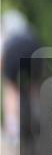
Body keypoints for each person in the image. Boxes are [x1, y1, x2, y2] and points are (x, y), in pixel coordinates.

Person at [0, 10, 43, 147]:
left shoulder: (5, 34)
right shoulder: (29, 30)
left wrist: (7, 77)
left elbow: (2, 57)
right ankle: (39, 119)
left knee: (11, 89)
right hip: (34, 47)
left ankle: (14, 131)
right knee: (35, 88)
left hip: (13, 51)